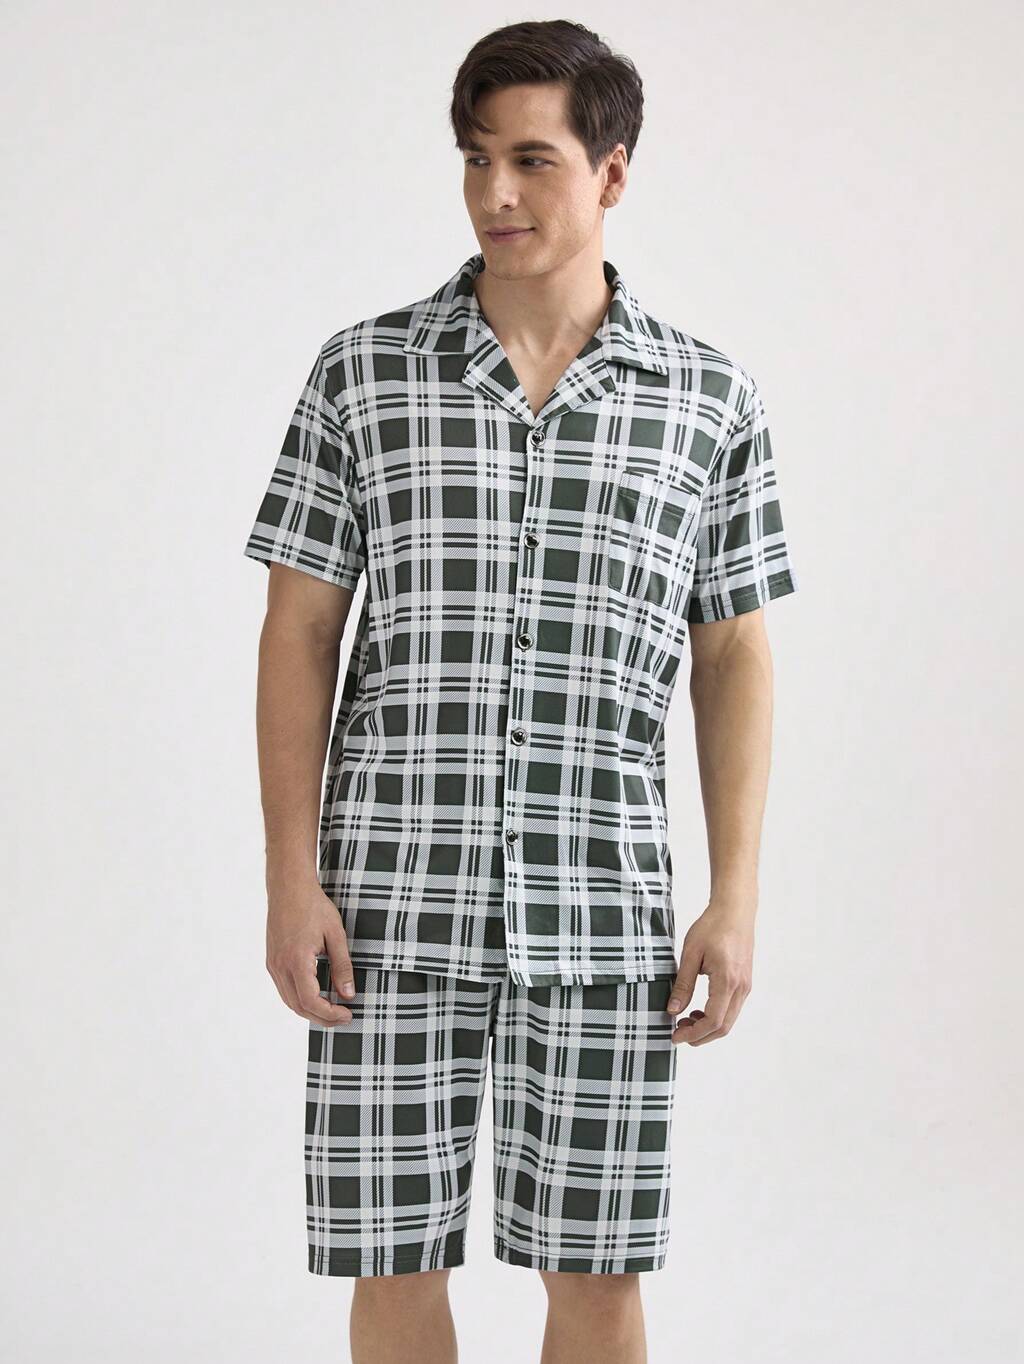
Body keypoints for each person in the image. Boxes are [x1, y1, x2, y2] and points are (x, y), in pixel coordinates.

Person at [243, 18, 798, 1364]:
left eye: (533, 160)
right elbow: (298, 634)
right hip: (387, 905)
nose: (495, 192)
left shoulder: (708, 399)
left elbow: (733, 650)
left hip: (604, 914)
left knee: (598, 1277)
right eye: (475, 158)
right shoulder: (362, 374)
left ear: (613, 171)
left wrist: (734, 896)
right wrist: (290, 880)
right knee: (391, 1264)